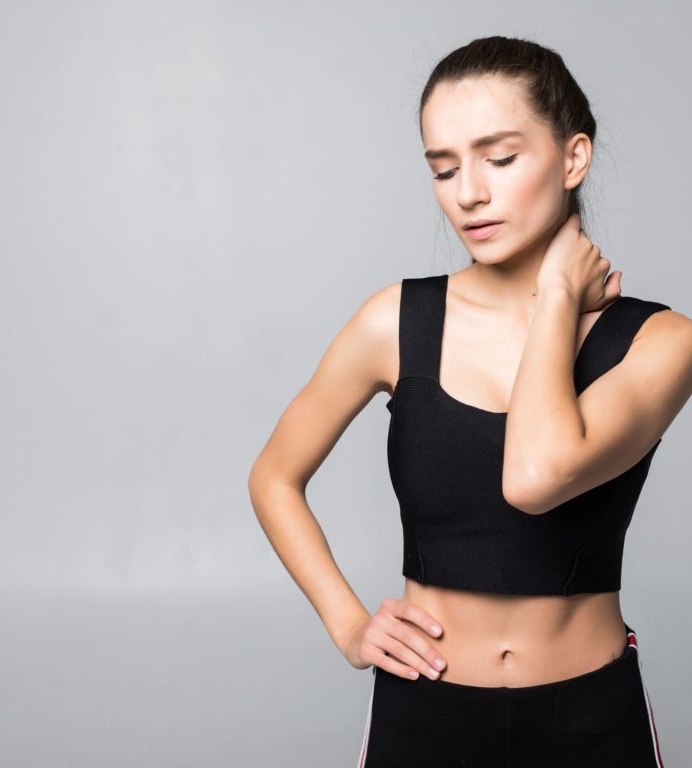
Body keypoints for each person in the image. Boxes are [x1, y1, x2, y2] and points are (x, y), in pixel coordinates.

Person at [247, 35, 692, 766]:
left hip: (590, 717)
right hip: (425, 713)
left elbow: (536, 475)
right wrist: (348, 624)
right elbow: (274, 476)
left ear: (573, 158)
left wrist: (554, 299)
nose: (469, 193)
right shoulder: (394, 321)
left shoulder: (661, 341)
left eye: (501, 158)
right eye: (443, 168)